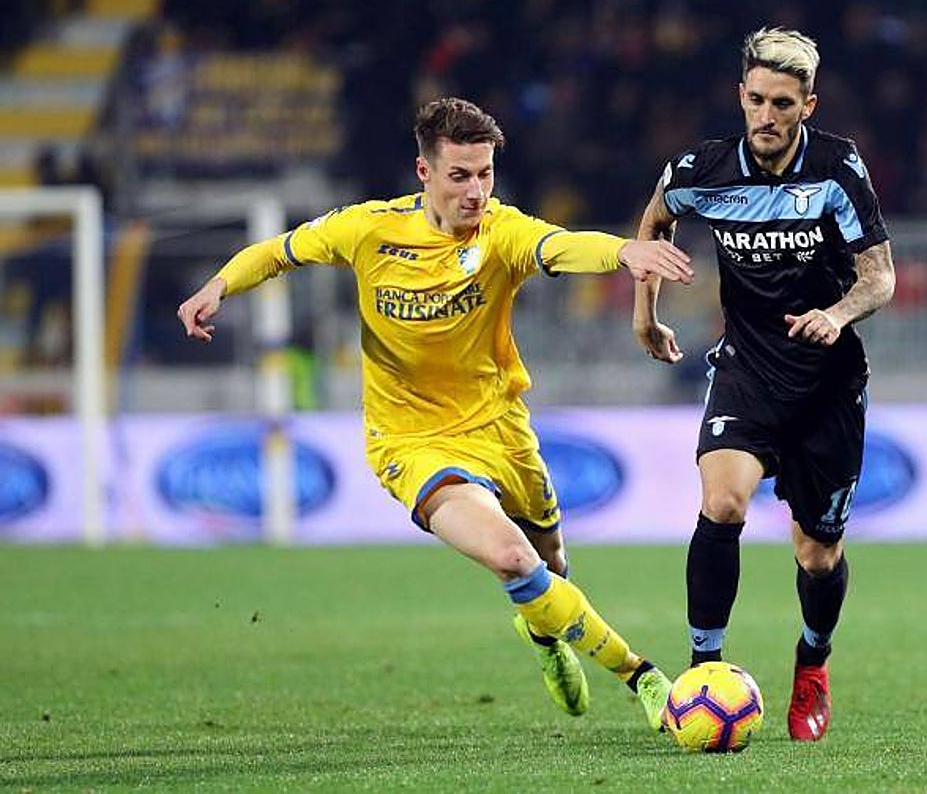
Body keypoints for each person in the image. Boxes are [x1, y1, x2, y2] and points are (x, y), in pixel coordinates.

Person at [178, 97, 694, 731]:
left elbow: (560, 245)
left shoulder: (502, 232)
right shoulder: (371, 229)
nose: (476, 191)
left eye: (485, 174)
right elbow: (280, 251)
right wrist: (217, 286)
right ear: (424, 173)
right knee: (511, 559)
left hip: (500, 426)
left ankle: (543, 636)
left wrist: (621, 254)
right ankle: (643, 677)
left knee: (551, 564)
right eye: (460, 175)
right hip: (410, 440)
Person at [631, 28, 895, 741]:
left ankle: (813, 662)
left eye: (784, 102)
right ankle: (701, 672)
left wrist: (836, 315)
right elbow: (655, 221)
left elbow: (880, 276)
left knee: (818, 552)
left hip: (827, 387)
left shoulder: (838, 169)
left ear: (808, 104)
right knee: (722, 503)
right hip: (746, 369)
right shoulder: (703, 168)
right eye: (757, 100)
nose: (768, 115)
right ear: (739, 98)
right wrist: (645, 317)